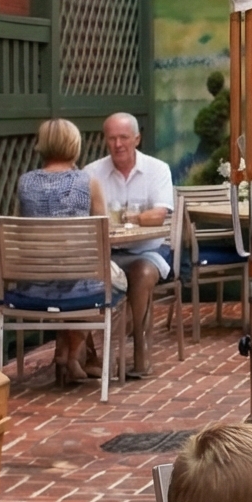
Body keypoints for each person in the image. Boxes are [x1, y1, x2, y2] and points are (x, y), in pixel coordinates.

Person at [15, 117, 120, 386]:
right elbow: (102, 238)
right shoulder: (88, 183)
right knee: (115, 281)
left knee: (76, 276)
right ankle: (73, 352)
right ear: (75, 145)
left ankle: (66, 353)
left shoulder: (25, 183)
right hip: (78, 287)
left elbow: (19, 231)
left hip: (32, 287)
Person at [87, 112, 174, 378]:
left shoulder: (157, 169)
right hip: (108, 252)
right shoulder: (91, 173)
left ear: (137, 138)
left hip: (148, 249)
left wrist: (128, 217)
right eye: (112, 138)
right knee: (78, 271)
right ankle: (86, 355)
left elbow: (159, 214)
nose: (118, 144)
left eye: (124, 137)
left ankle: (140, 349)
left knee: (142, 272)